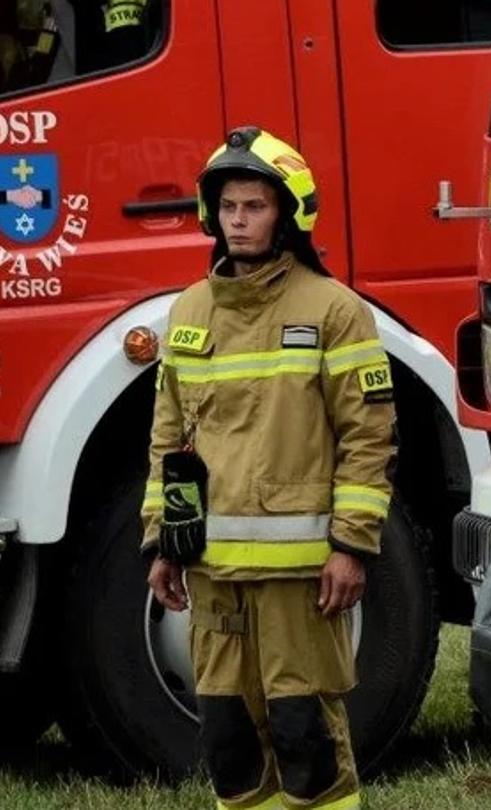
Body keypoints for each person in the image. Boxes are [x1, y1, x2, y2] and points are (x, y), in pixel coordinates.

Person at [143, 126, 396, 810]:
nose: (239, 220)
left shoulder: (334, 312)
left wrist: (350, 547)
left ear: (286, 214)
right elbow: (170, 440)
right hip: (212, 572)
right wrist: (162, 544)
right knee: (229, 743)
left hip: (299, 577)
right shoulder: (190, 313)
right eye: (228, 208)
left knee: (304, 735)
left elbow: (368, 437)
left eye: (254, 207)